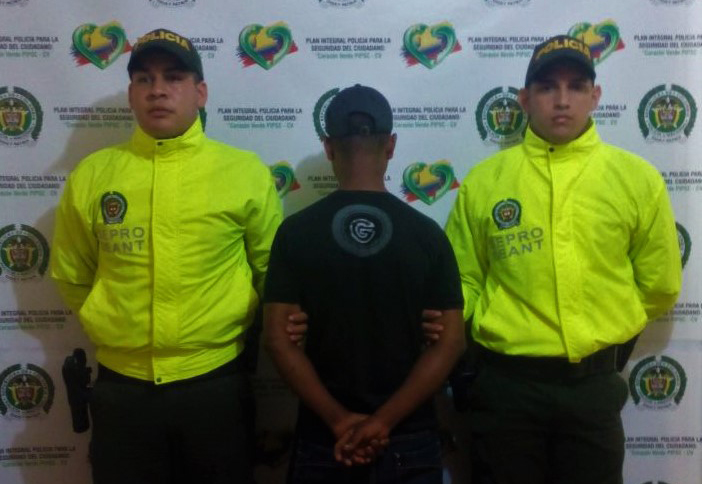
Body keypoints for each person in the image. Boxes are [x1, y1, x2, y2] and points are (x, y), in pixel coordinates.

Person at [444, 35, 682, 484]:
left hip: (593, 389)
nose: (562, 100)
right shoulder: (485, 182)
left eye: (576, 86)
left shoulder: (636, 179)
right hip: (505, 390)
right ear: (524, 99)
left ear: (595, 96)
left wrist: (608, 328)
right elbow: (463, 282)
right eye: (547, 87)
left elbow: (660, 285)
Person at [50, 28, 282, 484]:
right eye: (144, 79)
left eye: (173, 77)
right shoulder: (93, 175)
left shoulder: (244, 172)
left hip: (215, 385)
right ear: (131, 95)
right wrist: (109, 322)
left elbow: (272, 272)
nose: (157, 90)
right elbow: (72, 274)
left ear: (200, 93)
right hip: (121, 389)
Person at [263, 84, 466, 483]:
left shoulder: (295, 233)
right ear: (390, 145)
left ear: (328, 147)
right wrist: (382, 422)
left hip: (325, 437)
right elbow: (452, 342)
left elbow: (276, 339)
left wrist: (340, 421)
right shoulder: (427, 235)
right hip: (408, 437)